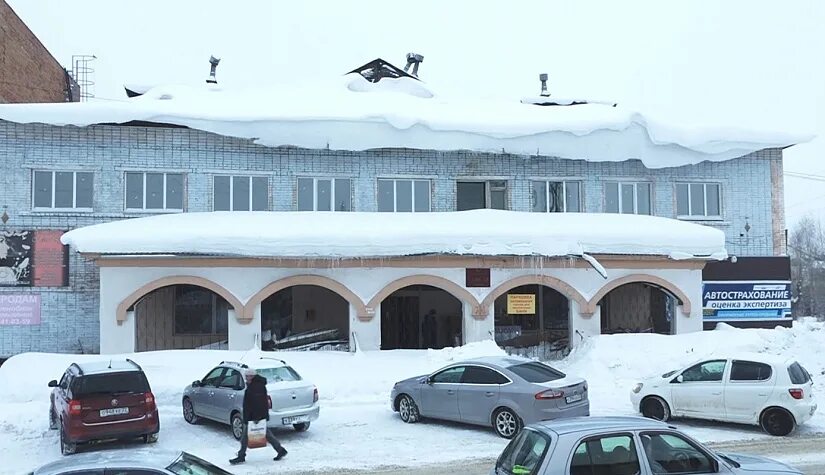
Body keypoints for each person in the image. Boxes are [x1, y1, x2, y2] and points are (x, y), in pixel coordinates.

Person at [229, 368, 287, 465]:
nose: (245, 378)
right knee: (266, 434)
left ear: (252, 376)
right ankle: (280, 450)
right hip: (255, 416)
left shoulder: (256, 387)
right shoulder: (255, 385)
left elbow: (258, 403)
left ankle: (241, 456)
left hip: (255, 417)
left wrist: (256, 417)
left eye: (247, 376)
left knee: (245, 438)